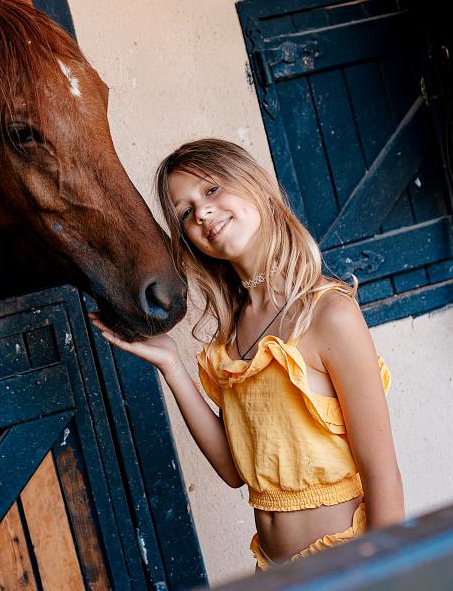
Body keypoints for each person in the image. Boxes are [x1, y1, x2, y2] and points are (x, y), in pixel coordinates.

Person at [90, 138, 403, 570]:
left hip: (344, 566)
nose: (201, 212)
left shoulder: (328, 313)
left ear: (253, 185)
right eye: (185, 212)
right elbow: (234, 470)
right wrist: (171, 365)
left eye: (212, 190)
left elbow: (382, 472)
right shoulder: (231, 340)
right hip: (270, 569)